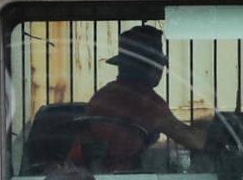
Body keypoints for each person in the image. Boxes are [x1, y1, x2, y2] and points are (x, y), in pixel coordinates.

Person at [79, 25, 207, 172]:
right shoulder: (145, 101)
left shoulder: (103, 94)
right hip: (126, 178)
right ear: (146, 66)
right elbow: (192, 141)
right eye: (158, 64)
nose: (161, 69)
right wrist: (211, 133)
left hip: (97, 175)